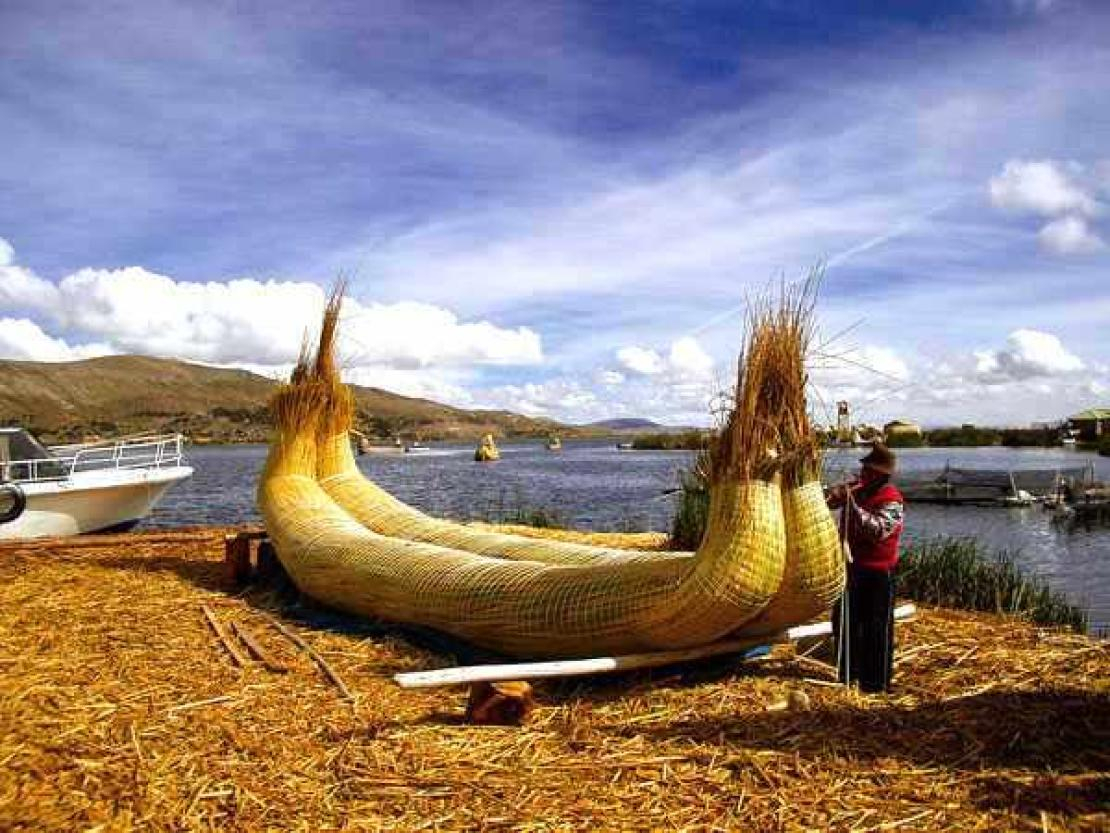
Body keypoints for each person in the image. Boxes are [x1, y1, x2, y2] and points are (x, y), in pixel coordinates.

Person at [827, 442, 904, 693]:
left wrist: (852, 506)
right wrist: (833, 494)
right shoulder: (858, 491)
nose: (863, 476)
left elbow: (878, 530)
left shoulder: (893, 500)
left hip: (879, 572)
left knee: (876, 628)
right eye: (863, 471)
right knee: (845, 621)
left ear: (882, 476)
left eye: (868, 472)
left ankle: (876, 684)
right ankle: (848, 674)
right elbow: (828, 502)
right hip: (852, 567)